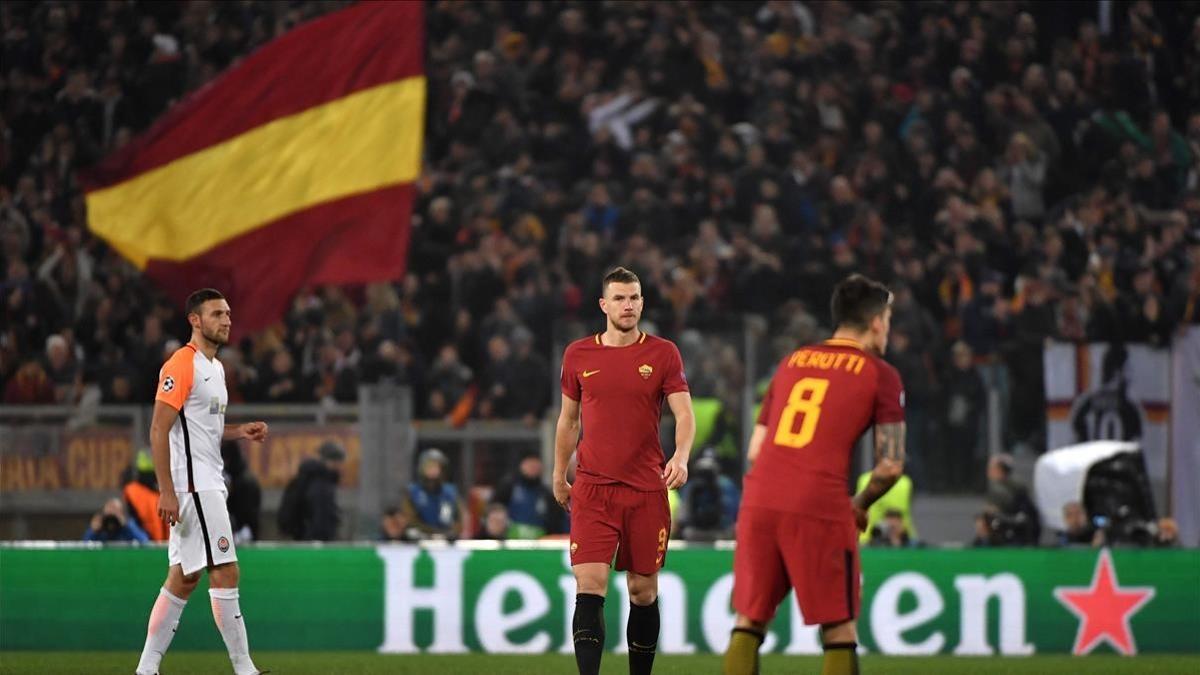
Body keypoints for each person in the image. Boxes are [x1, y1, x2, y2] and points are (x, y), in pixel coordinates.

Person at [724, 274, 906, 675]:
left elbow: (756, 449)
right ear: (877, 321)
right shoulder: (880, 373)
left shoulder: (792, 362)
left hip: (759, 499)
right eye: (889, 319)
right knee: (838, 626)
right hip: (818, 502)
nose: (888, 329)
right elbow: (891, 464)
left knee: (750, 620)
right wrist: (859, 504)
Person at [554, 266, 695, 675]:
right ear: (604, 305)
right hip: (594, 488)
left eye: (633, 298)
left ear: (642, 303)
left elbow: (683, 414)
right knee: (589, 586)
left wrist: (681, 455)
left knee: (643, 591)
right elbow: (568, 421)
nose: (627, 305)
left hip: (645, 489)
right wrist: (558, 473)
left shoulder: (663, 353)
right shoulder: (578, 354)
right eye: (619, 298)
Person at [135, 289, 269, 675]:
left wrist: (239, 431)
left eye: (228, 313)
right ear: (195, 320)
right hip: (194, 486)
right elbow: (159, 429)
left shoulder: (217, 368)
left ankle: (146, 669)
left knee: (184, 577)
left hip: (204, 482)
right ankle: (245, 669)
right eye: (216, 314)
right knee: (225, 569)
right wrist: (167, 491)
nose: (226, 320)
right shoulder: (182, 364)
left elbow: (201, 429)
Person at [490, 451, 565, 538]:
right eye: (529, 465)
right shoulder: (508, 487)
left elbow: (555, 520)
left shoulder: (546, 493)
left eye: (535, 465)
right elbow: (494, 511)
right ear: (521, 466)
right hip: (510, 541)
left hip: (540, 543)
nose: (533, 468)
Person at [280, 441, 344, 541]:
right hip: (315, 542)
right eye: (339, 462)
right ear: (331, 461)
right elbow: (321, 518)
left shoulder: (307, 478)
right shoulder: (322, 484)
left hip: (302, 537)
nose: (341, 466)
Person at [401, 448, 464, 540]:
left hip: (446, 538)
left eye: (435, 467)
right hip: (420, 539)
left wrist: (451, 531)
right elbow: (410, 519)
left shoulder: (450, 493)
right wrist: (431, 533)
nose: (432, 470)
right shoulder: (413, 492)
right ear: (422, 469)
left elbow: (459, 518)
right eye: (428, 466)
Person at [84, 497, 150, 543]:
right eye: (109, 510)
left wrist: (127, 526)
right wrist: (93, 531)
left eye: (115, 510)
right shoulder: (100, 527)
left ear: (121, 513)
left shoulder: (127, 525)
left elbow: (144, 541)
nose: (112, 513)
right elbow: (84, 545)